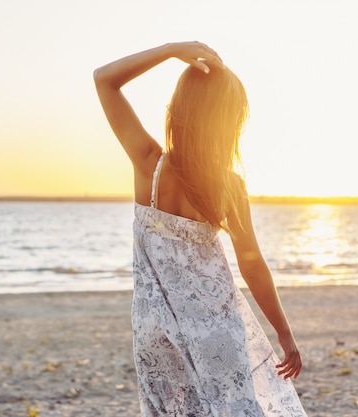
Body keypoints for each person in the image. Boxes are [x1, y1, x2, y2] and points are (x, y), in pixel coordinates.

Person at [94, 42, 307, 416]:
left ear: (178, 110)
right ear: (230, 122)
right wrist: (284, 333)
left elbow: (105, 80)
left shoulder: (149, 165)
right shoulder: (228, 186)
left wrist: (171, 50)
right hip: (216, 330)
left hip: (155, 331)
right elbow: (252, 265)